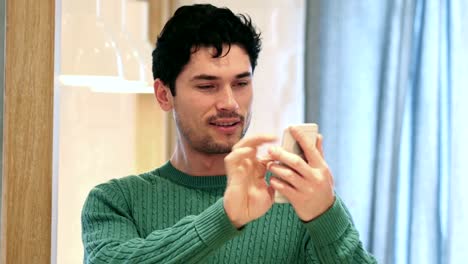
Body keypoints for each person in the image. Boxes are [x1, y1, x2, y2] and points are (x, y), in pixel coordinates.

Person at [81, 4, 377, 263]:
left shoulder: (296, 199)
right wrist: (225, 217)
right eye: (207, 86)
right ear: (163, 94)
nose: (230, 103)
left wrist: (326, 216)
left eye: (240, 84)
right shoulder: (115, 201)